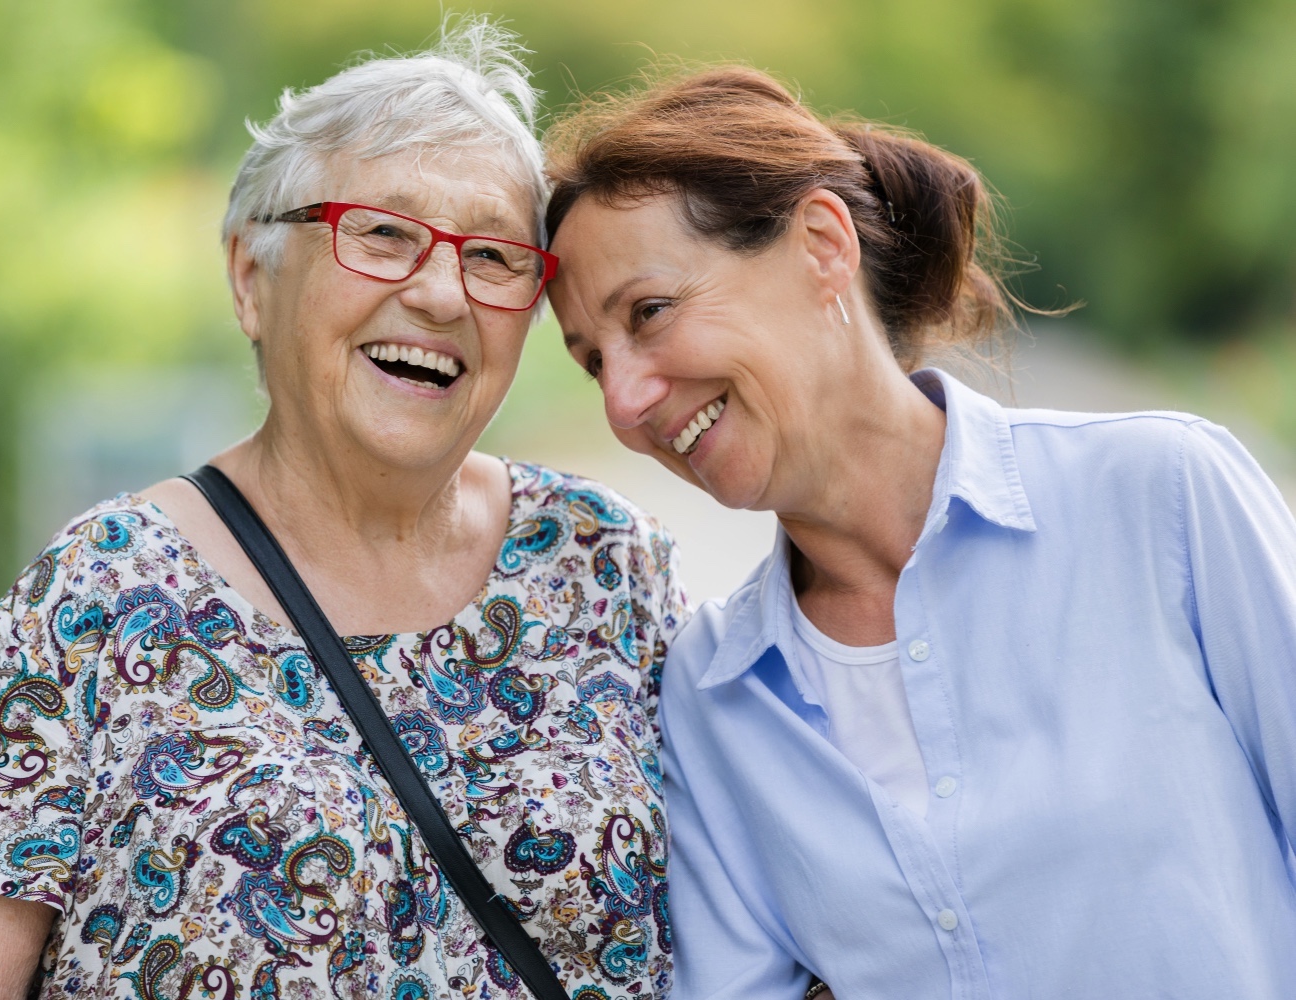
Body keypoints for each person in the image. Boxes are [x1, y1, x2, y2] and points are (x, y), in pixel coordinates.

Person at [0, 22, 684, 1000]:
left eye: (493, 256)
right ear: (250, 277)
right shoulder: (97, 598)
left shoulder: (606, 562)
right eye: (382, 233)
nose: (439, 292)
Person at [543, 65, 1296, 999]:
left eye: (648, 314)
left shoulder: (1162, 497)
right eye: (591, 365)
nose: (625, 399)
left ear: (821, 245)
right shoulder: (716, 692)